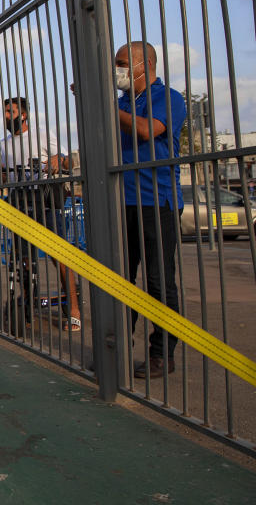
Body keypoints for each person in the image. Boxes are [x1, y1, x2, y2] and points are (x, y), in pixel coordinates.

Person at [115, 42, 186, 379]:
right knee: (120, 281)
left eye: (123, 63)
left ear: (145, 65)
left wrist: (106, 107)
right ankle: (117, 349)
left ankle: (162, 354)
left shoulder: (168, 97)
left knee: (158, 283)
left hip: (156, 202)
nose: (118, 70)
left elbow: (147, 130)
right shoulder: (120, 104)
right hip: (122, 203)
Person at [0, 96, 81, 334]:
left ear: (23, 115)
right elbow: (0, 178)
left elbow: (65, 161)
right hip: (19, 200)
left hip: (44, 197)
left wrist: (55, 160)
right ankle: (27, 306)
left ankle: (74, 308)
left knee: (59, 254)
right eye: (4, 112)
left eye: (10, 112)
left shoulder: (42, 134)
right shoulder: (3, 144)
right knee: (22, 257)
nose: (6, 117)